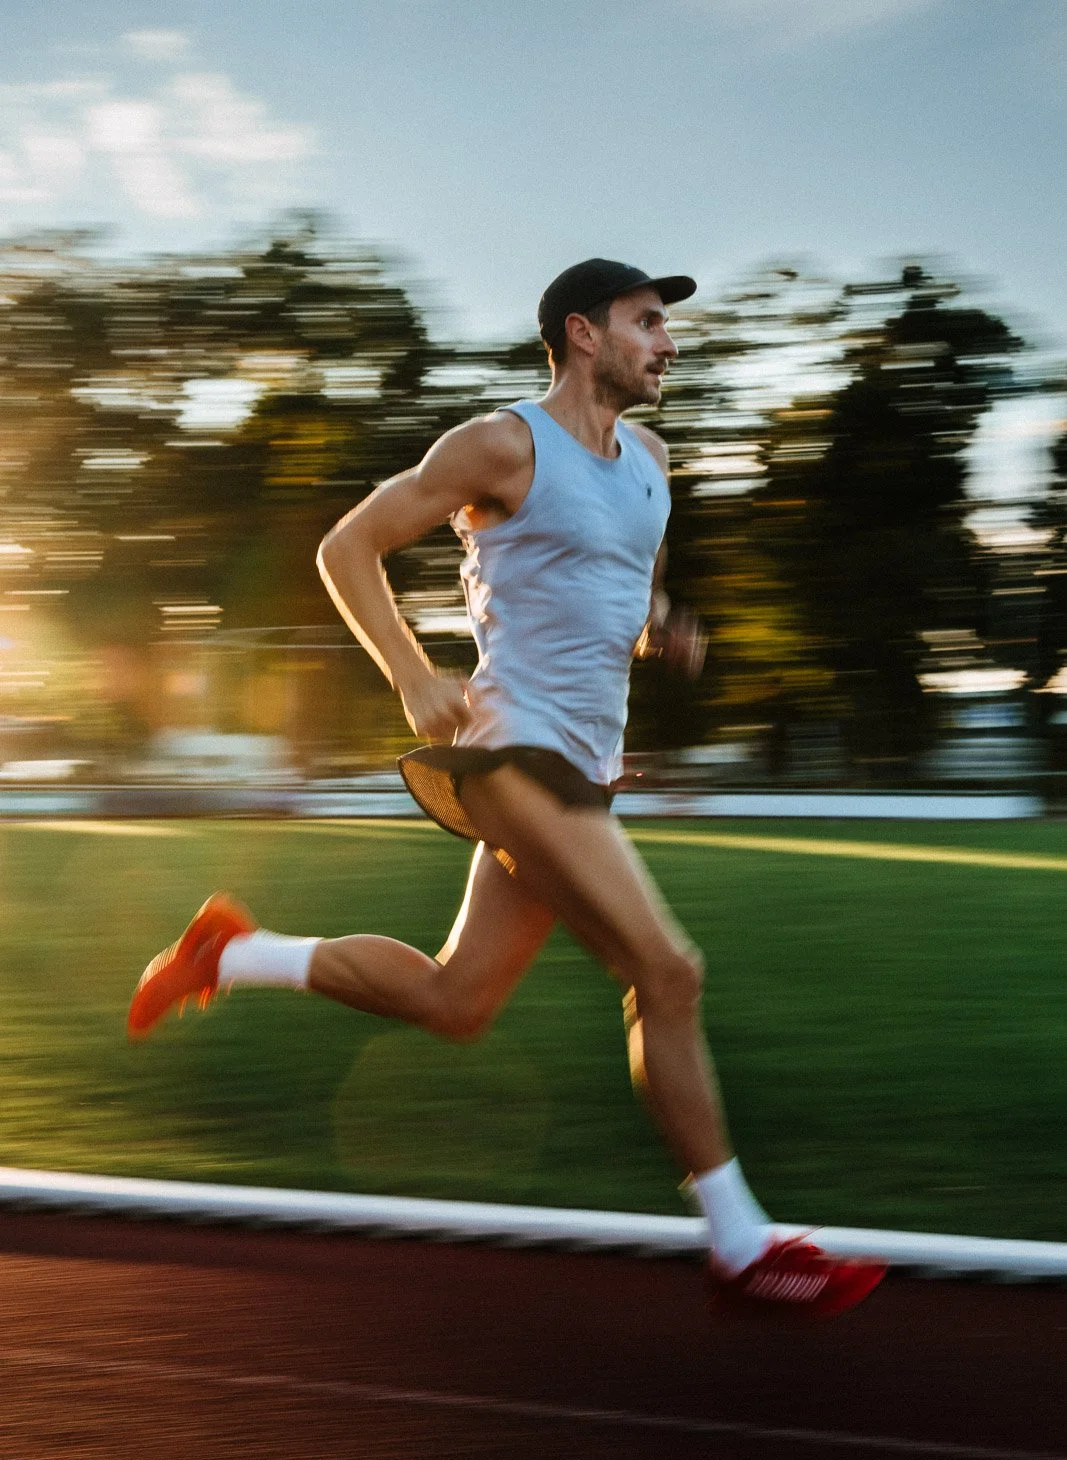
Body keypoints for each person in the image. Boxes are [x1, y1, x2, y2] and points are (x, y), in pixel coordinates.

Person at [128, 258, 884, 1318]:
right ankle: (740, 1241)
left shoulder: (651, 462)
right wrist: (409, 669)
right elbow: (347, 545)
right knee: (667, 972)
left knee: (455, 998)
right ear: (582, 334)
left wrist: (657, 630)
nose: (667, 343)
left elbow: (607, 588)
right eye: (647, 323)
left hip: (581, 767)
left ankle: (232, 953)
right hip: (508, 753)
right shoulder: (502, 443)